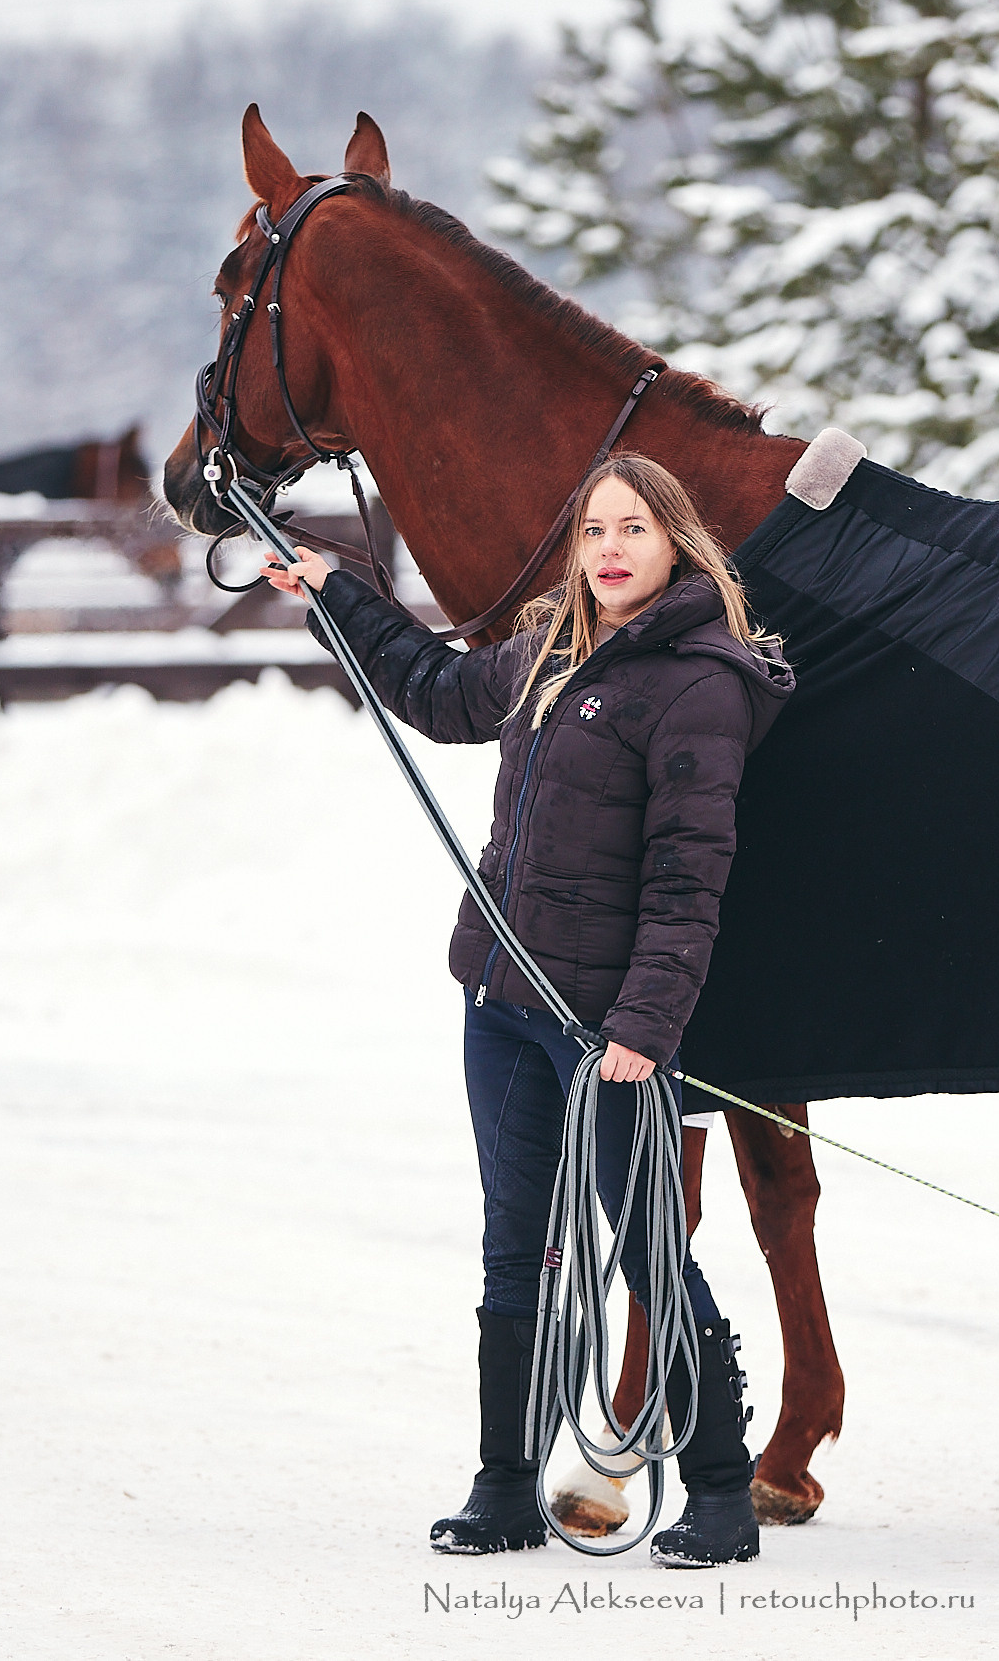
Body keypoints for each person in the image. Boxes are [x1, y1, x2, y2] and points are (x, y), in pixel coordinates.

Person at [262, 453, 794, 1568]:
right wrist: (334, 593)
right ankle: (505, 1485)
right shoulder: (553, 646)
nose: (610, 549)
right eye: (594, 529)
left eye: (634, 529)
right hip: (501, 1000)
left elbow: (689, 874)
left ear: (676, 542)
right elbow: (436, 690)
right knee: (516, 1248)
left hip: (604, 1028)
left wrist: (646, 1027)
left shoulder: (700, 682)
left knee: (647, 1248)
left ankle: (719, 1490)